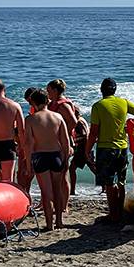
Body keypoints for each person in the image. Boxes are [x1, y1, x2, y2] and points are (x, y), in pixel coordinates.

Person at [85, 77, 134, 223]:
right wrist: (128, 126)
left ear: (101, 90)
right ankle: (120, 212)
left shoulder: (98, 106)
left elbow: (93, 132)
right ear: (115, 90)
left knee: (109, 183)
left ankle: (114, 215)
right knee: (121, 181)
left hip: (106, 149)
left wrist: (87, 150)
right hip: (123, 148)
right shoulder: (123, 102)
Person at [24, 89, 71, 231]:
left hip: (40, 157)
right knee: (57, 190)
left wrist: (28, 164)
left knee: (46, 192)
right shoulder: (57, 117)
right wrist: (65, 158)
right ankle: (59, 222)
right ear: (47, 101)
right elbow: (66, 141)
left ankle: (49, 225)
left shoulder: (31, 119)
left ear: (33, 102)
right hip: (56, 155)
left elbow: (29, 144)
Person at [46, 79, 77, 207]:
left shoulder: (63, 105)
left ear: (55, 90)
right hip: (53, 143)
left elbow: (73, 121)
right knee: (54, 175)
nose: (47, 93)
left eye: (49, 90)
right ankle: (56, 203)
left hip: (63, 142)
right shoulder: (52, 103)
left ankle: (64, 206)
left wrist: (63, 134)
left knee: (64, 174)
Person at [16, 87, 37, 192]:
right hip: (29, 142)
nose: (29, 104)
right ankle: (24, 191)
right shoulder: (34, 108)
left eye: (29, 101)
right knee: (22, 171)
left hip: (34, 143)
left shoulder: (39, 108)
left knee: (28, 171)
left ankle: (26, 191)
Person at [69, 106, 92, 195]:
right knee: (93, 167)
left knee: (72, 169)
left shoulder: (79, 122)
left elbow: (85, 136)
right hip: (84, 148)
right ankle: (104, 187)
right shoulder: (81, 120)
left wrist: (86, 151)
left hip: (83, 148)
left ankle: (72, 191)